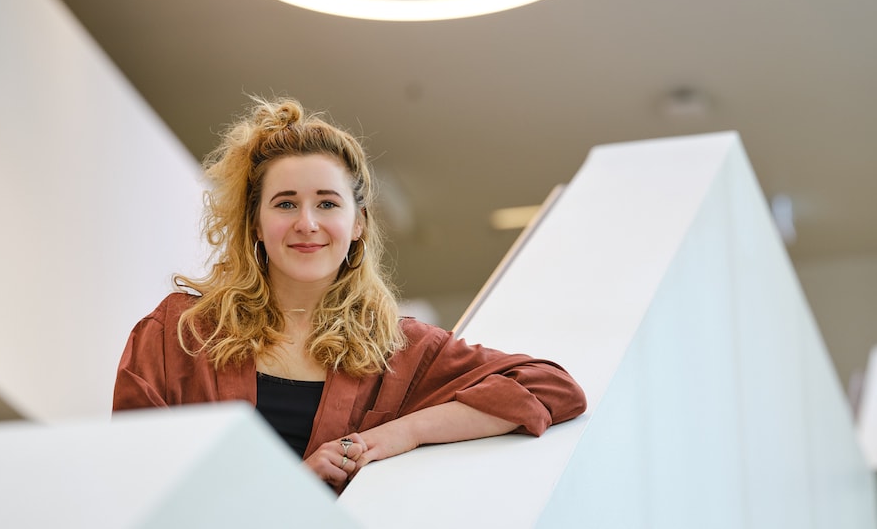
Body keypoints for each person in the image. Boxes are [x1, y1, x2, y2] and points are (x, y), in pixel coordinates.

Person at [113, 97, 586, 492]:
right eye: (285, 203)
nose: (307, 223)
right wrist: (297, 485)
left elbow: (550, 388)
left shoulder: (400, 348)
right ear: (255, 223)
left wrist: (402, 433)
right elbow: (134, 484)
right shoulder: (180, 333)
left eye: (327, 203)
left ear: (358, 223)